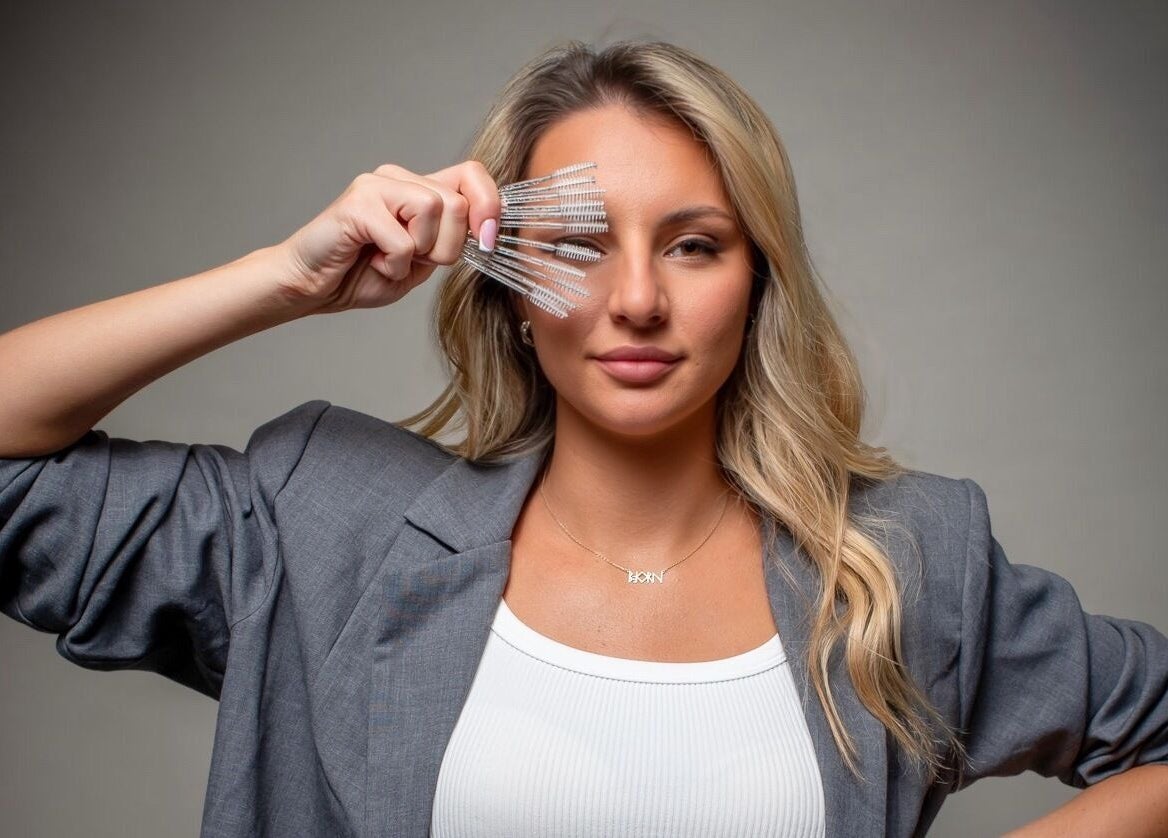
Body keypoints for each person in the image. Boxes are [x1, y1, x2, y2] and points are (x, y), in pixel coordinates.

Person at [1, 38, 1165, 838]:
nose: (637, 301)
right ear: (508, 281)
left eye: (695, 243)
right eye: (579, 243)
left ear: (757, 283)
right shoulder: (326, 526)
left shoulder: (902, 565)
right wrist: (279, 280)